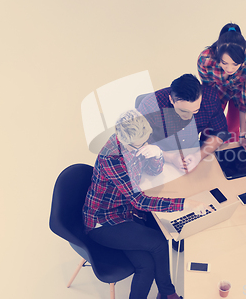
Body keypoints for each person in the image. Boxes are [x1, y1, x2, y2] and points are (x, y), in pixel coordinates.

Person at [83, 109, 205, 299]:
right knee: (159, 242)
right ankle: (168, 293)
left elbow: (153, 171)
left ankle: (166, 294)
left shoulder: (136, 142)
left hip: (125, 213)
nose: (143, 147)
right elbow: (139, 201)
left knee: (146, 266)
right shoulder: (112, 158)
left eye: (147, 141)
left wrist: (157, 155)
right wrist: (185, 203)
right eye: (139, 146)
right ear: (124, 141)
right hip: (103, 221)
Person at [138, 74, 230, 173]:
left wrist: (199, 156)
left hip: (194, 150)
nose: (188, 117)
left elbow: (220, 132)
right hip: (160, 156)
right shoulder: (150, 106)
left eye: (195, 111)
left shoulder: (210, 97)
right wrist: (171, 158)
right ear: (171, 100)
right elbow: (139, 144)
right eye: (183, 111)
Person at [197, 23, 246, 143]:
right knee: (210, 129)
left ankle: (229, 155)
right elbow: (208, 95)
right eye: (224, 63)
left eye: (235, 64)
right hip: (217, 90)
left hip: (241, 90)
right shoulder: (205, 59)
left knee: (233, 129)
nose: (230, 69)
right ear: (217, 54)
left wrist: (243, 136)